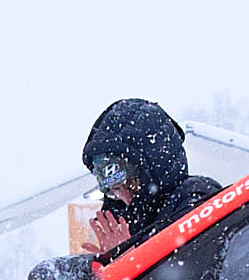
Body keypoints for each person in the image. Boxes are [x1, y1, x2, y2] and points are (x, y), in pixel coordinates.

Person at [76, 97, 221, 256]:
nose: (126, 198)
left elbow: (194, 266)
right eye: (115, 191)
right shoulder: (132, 224)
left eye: (132, 185)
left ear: (155, 167)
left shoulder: (197, 202)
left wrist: (129, 260)